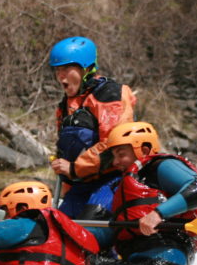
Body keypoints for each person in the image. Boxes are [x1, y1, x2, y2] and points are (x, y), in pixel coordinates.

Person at [79, 121, 197, 265]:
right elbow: (112, 232)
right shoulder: (126, 187)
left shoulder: (159, 166)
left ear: (143, 149)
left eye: (121, 154)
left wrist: (158, 214)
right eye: (113, 156)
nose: (115, 163)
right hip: (134, 263)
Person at [48, 36, 137, 219]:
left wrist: (74, 168)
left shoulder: (108, 94)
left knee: (90, 228)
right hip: (81, 183)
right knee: (58, 230)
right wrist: (68, 180)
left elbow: (115, 143)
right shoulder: (66, 106)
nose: (60, 76)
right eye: (57, 70)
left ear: (86, 68)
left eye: (66, 68)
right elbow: (67, 152)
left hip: (113, 179)